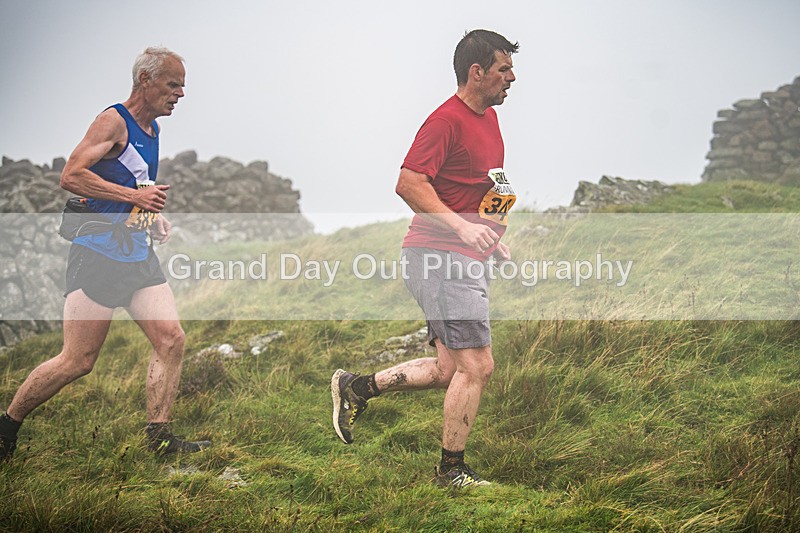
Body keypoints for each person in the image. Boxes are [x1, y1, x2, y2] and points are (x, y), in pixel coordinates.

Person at [0, 46, 210, 461]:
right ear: (145, 80)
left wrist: (150, 215)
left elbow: (136, 183)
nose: (181, 94)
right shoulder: (112, 121)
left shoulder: (152, 129)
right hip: (97, 253)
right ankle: (7, 425)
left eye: (183, 86)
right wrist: (135, 198)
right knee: (77, 360)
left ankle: (160, 440)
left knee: (171, 339)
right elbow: (71, 175)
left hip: (136, 252)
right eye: (173, 84)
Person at [332, 29, 518, 487]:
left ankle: (357, 387)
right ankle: (451, 472)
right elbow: (409, 183)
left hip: (463, 256)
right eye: (504, 69)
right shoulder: (445, 121)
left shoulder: (490, 120)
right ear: (477, 72)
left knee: (448, 369)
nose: (512, 78)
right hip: (440, 257)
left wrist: (490, 237)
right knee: (477, 366)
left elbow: (480, 186)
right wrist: (462, 228)